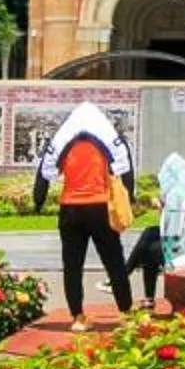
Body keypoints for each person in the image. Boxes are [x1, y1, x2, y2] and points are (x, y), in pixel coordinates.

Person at [33, 102, 137, 330]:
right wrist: (130, 196)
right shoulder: (106, 137)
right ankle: (126, 312)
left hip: (70, 210)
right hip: (99, 207)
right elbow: (125, 167)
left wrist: (38, 201)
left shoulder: (64, 140)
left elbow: (44, 171)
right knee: (114, 261)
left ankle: (78, 318)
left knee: (72, 265)